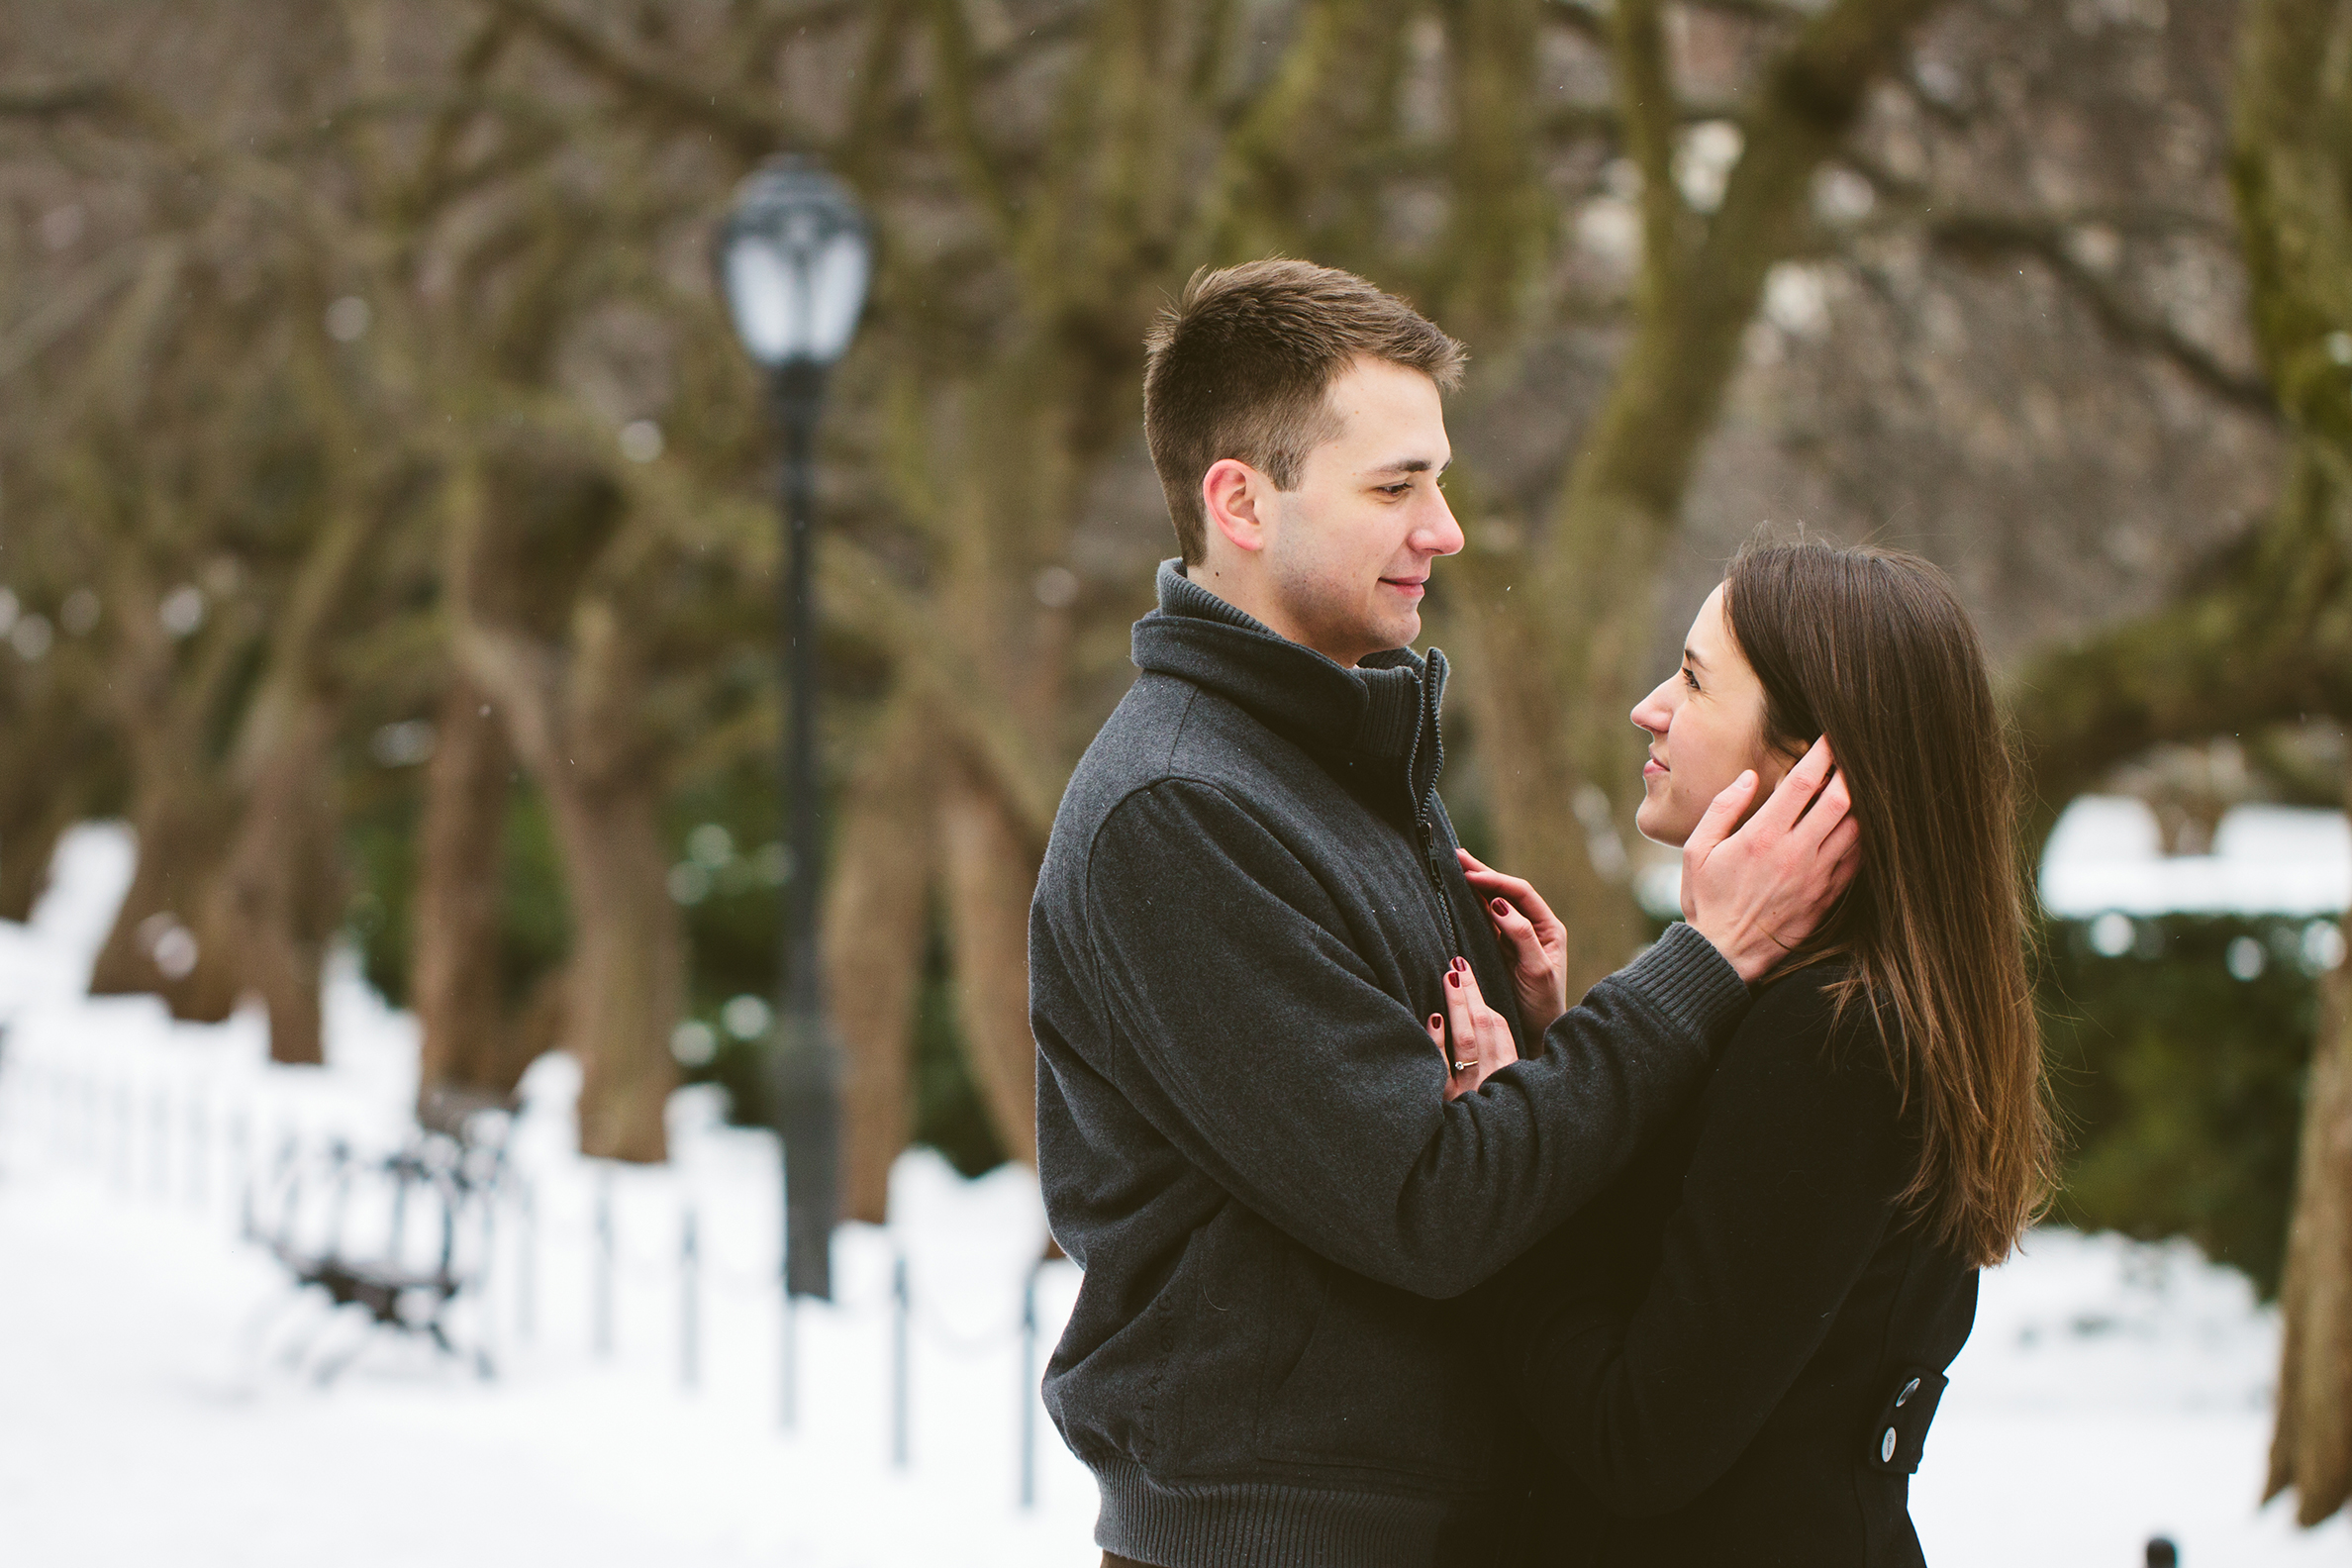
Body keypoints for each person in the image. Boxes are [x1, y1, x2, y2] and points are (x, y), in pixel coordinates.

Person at [1028, 257, 1861, 1568]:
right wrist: (1702, 963)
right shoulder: (1178, 810)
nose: (1447, 528)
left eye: (1440, 478)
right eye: (1396, 486)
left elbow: (1465, 1161)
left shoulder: (1338, 760)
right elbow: (1435, 1205)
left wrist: (1546, 1045)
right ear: (1239, 501)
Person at [1438, 539, 2059, 1566]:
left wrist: (1502, 1186)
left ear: (1813, 760)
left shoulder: (1840, 1035)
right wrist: (1564, 1066)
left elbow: (1637, 1437)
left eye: (1691, 679)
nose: (1649, 706)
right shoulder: (1822, 1009)